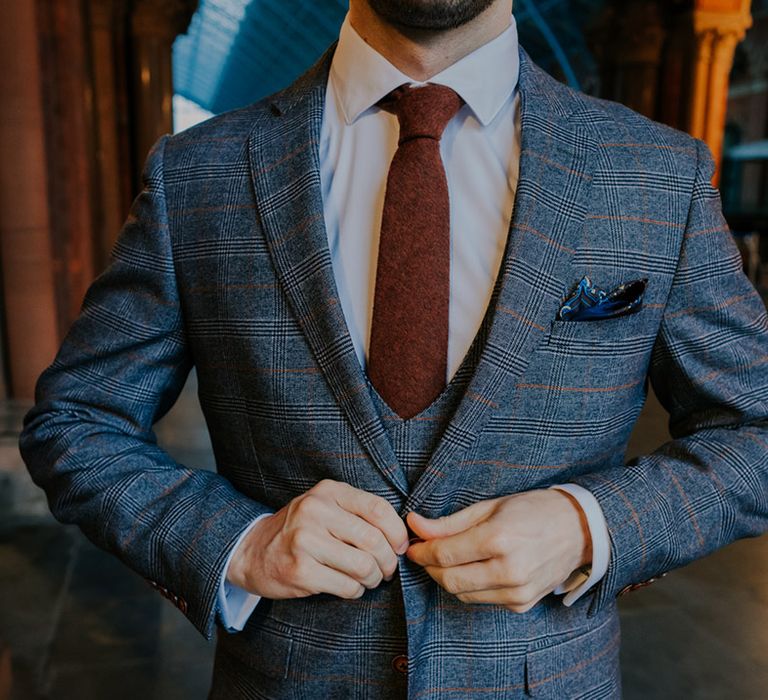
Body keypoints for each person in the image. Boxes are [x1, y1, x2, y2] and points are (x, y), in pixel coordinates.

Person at [19, 0, 768, 697]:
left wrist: (587, 526)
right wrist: (241, 545)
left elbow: (756, 434)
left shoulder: (655, 176)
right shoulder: (200, 174)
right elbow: (76, 422)